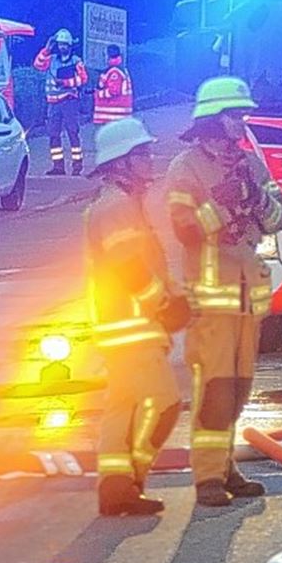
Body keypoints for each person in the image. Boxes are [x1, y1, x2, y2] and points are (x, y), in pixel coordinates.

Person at [166, 76, 282, 508]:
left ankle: (227, 466)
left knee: (238, 388)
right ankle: (207, 478)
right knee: (215, 389)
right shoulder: (186, 167)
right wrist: (223, 205)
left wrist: (255, 199)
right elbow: (185, 229)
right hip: (212, 298)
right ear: (213, 120)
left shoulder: (251, 165)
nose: (242, 122)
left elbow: (278, 218)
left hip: (247, 298)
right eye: (235, 115)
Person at [85, 117, 192, 516]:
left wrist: (174, 297)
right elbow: (129, 267)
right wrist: (163, 305)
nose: (150, 159)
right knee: (164, 405)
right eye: (141, 154)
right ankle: (131, 475)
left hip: (125, 325)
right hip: (130, 327)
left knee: (122, 407)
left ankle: (115, 488)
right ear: (121, 164)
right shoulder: (115, 207)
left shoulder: (123, 204)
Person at [33, 28, 87, 176]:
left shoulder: (76, 61)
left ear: (70, 46)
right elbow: (37, 65)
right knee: (53, 135)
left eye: (65, 45)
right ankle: (58, 166)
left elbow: (83, 79)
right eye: (60, 44)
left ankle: (77, 166)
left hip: (69, 101)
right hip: (53, 104)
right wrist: (46, 49)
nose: (62, 47)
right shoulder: (51, 59)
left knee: (72, 132)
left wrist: (65, 83)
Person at [93, 43, 133, 125]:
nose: (104, 57)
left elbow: (113, 91)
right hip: (116, 117)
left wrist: (98, 94)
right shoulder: (119, 69)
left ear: (109, 56)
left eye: (105, 55)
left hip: (113, 117)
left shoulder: (114, 72)